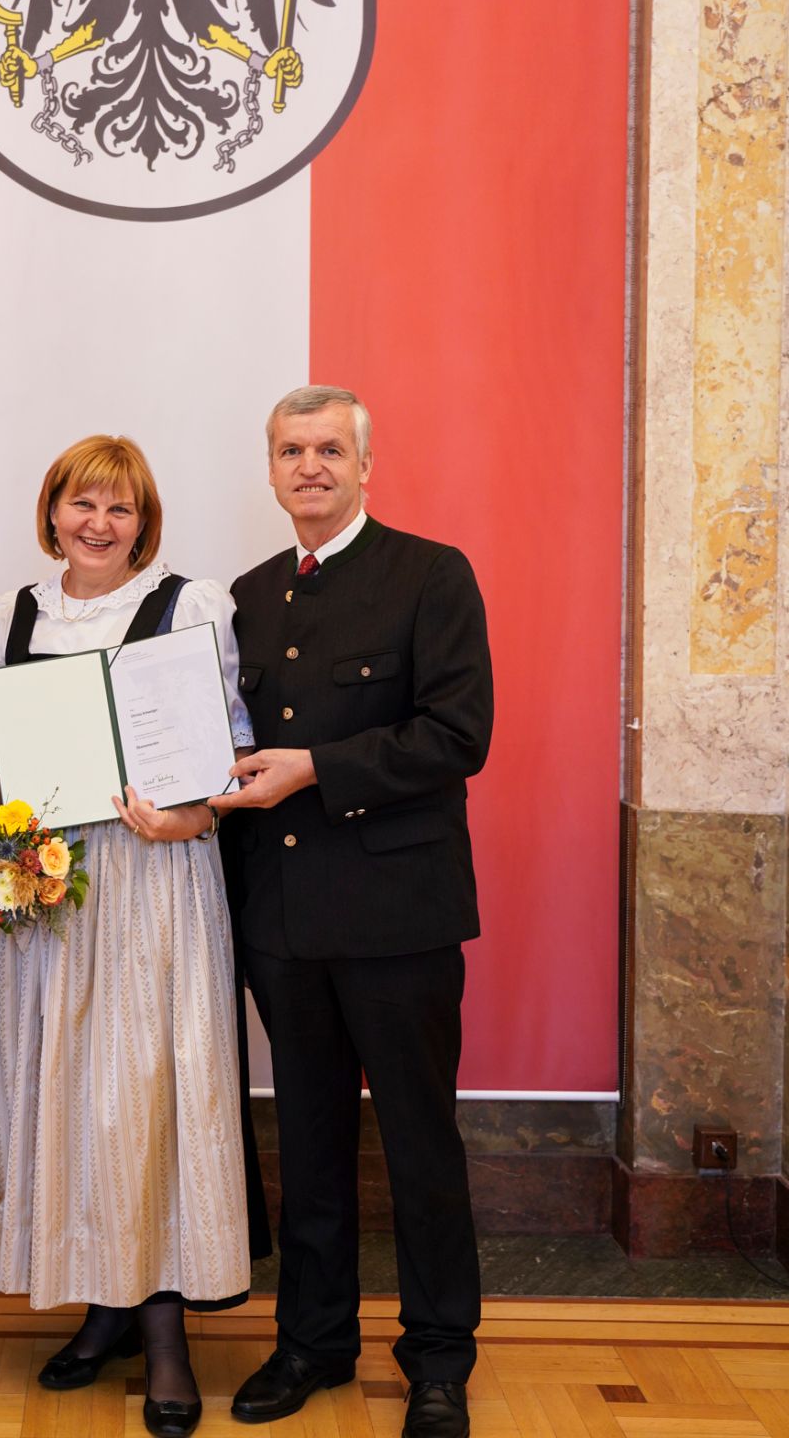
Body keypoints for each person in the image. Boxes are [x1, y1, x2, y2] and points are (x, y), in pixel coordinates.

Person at [0, 435, 254, 1438]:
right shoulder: (14, 615)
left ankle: (164, 1335)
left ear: (143, 522)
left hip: (152, 879)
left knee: (142, 1097)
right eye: (83, 503)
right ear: (53, 512)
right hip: (43, 883)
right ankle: (102, 1306)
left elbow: (227, 752)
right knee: (65, 1090)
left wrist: (190, 816)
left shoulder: (190, 605)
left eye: (121, 508)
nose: (99, 524)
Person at [212, 386, 493, 1438]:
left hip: (398, 918)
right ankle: (313, 1342)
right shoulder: (248, 594)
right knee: (311, 1141)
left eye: (331, 449)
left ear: (366, 465)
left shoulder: (431, 573)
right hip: (283, 920)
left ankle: (438, 1359)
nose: (311, 467)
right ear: (271, 470)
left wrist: (316, 769)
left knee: (420, 1147)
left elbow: (458, 734)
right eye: (292, 450)